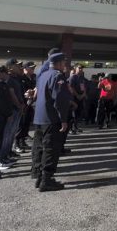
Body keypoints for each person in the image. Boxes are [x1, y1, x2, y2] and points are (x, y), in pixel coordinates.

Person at [30, 52, 71, 192]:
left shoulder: (43, 75)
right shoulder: (57, 76)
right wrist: (64, 119)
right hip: (51, 118)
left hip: (39, 118)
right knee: (51, 149)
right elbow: (60, 99)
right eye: (64, 62)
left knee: (41, 148)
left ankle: (40, 178)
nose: (65, 65)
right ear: (59, 63)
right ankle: (46, 180)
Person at [0, 59, 25, 171]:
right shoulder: (9, 79)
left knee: (11, 134)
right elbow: (12, 94)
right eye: (17, 66)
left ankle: (6, 155)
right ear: (10, 67)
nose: (20, 67)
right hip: (13, 109)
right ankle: (0, 158)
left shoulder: (15, 78)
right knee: (6, 135)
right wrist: (19, 105)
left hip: (17, 109)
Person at [68, 64, 86, 134]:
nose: (81, 69)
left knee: (78, 114)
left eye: (82, 68)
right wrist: (78, 95)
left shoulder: (81, 78)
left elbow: (83, 87)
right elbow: (71, 88)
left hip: (80, 99)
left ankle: (75, 127)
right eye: (80, 68)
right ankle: (70, 128)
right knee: (73, 114)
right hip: (74, 99)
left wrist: (83, 94)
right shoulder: (73, 77)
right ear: (75, 68)